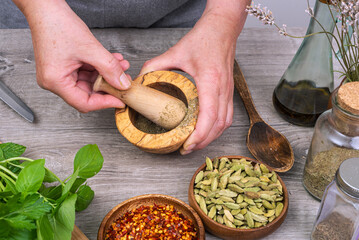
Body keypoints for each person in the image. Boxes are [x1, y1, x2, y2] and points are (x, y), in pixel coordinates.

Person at [8, 0, 250, 154]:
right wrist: (40, 8)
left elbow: (224, 15)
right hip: (37, 22)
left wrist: (224, 19)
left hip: (187, 21)